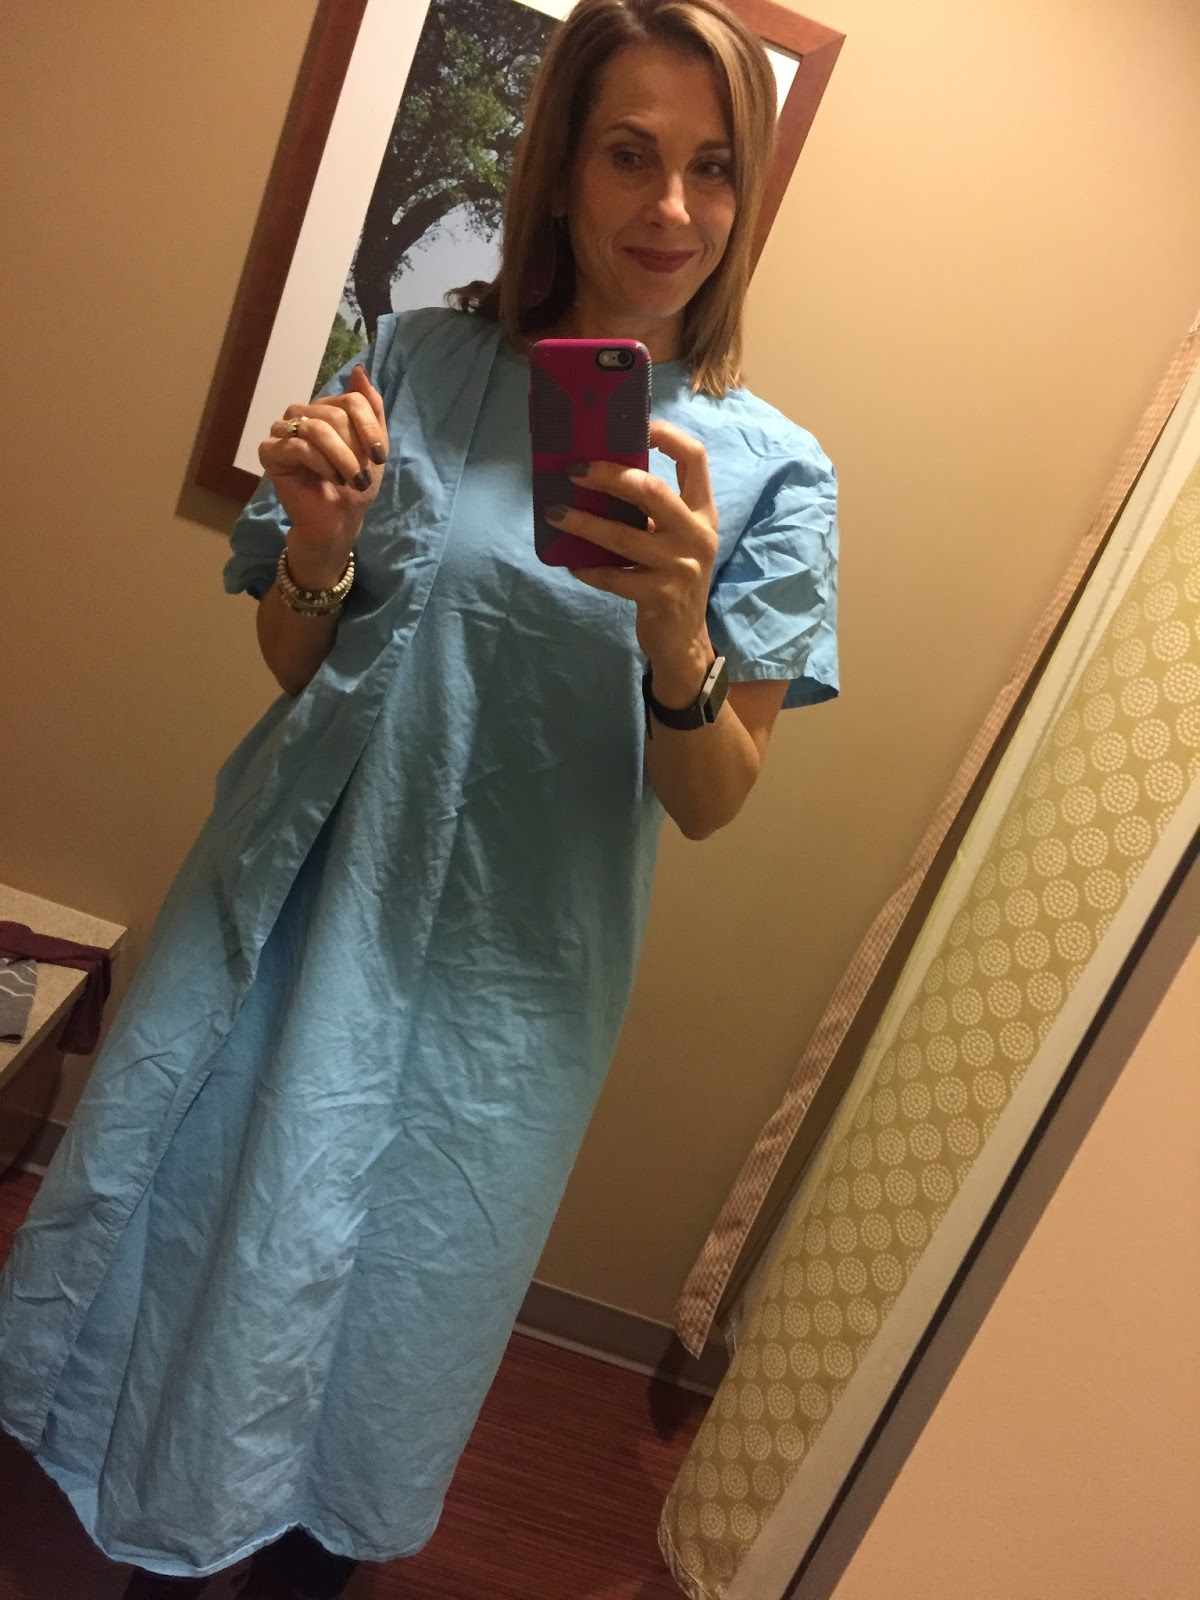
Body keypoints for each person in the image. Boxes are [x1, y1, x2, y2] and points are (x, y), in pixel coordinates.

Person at [0, 0, 839, 1594]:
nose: (673, 208)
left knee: (387, 1304)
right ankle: (145, 1537)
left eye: (716, 166)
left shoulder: (776, 475)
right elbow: (298, 657)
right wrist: (318, 548)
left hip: (502, 982)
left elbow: (714, 795)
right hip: (294, 896)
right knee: (194, 1237)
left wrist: (678, 632)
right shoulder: (414, 359)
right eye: (631, 154)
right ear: (563, 167)